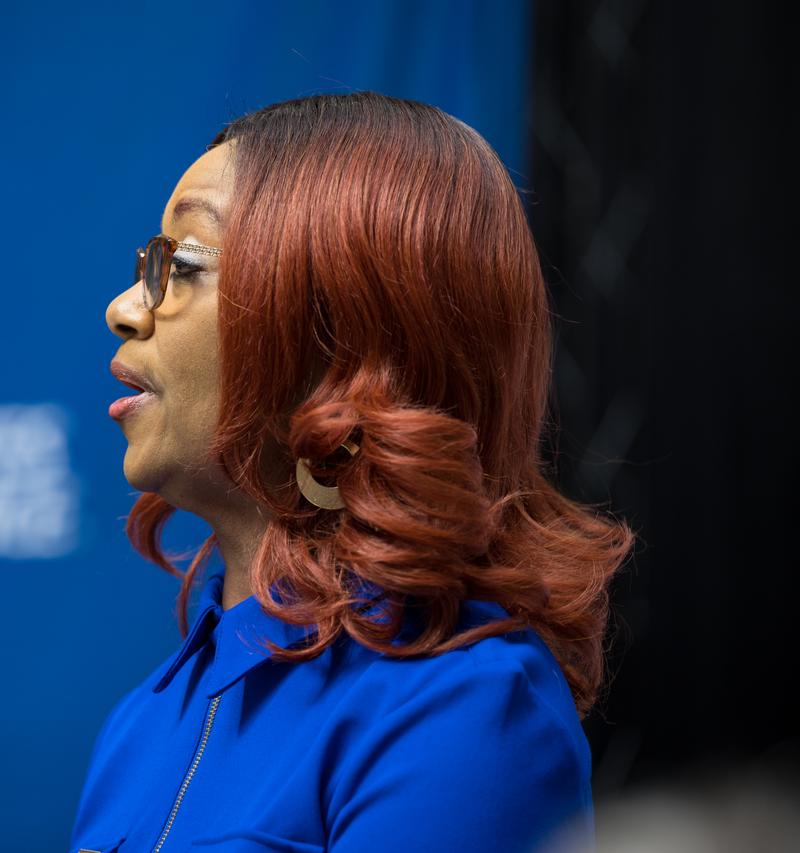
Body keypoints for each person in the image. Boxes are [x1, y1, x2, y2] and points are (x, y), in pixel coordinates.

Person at [70, 91, 633, 853]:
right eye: (147, 265)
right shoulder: (140, 721)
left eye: (183, 264)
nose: (125, 308)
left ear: (338, 338)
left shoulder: (459, 707)